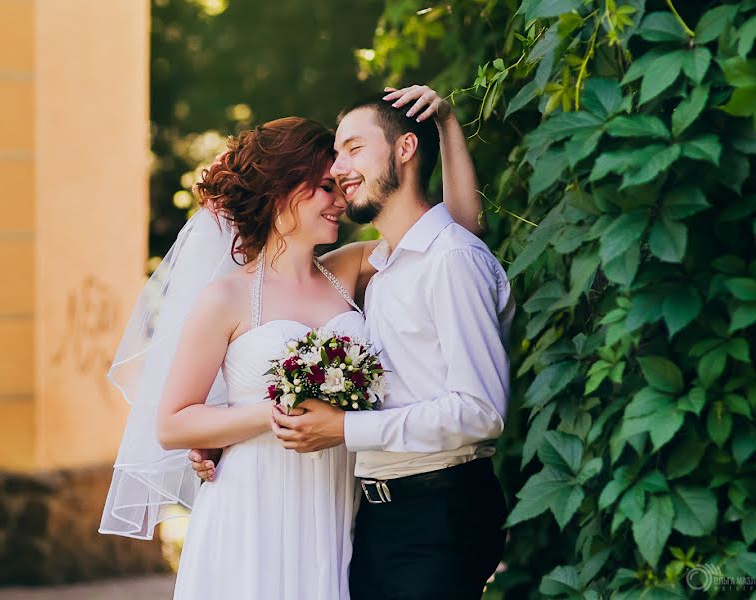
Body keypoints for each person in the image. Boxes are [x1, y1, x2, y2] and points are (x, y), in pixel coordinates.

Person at [102, 85, 484, 599]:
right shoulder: (226, 297)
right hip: (254, 507)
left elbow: (452, 233)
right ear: (284, 189)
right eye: (325, 186)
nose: (341, 198)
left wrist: (447, 127)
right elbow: (172, 423)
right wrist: (272, 415)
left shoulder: (347, 270)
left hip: (335, 504)